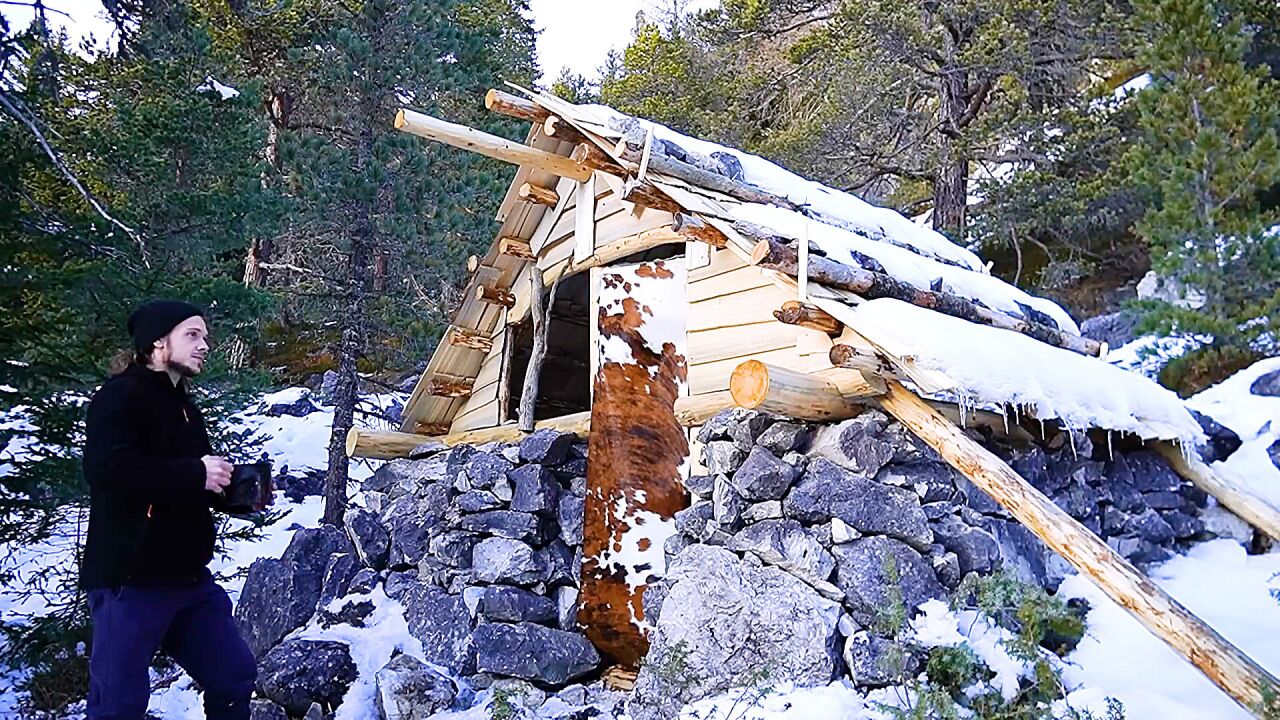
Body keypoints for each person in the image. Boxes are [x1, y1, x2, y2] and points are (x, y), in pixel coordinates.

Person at [80, 300, 256, 719]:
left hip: (189, 582)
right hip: (131, 581)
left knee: (233, 675)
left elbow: (184, 481)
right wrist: (195, 473)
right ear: (157, 342)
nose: (205, 345)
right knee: (117, 706)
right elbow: (108, 470)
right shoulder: (120, 397)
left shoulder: (183, 406)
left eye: (205, 337)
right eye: (192, 335)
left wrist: (233, 492)